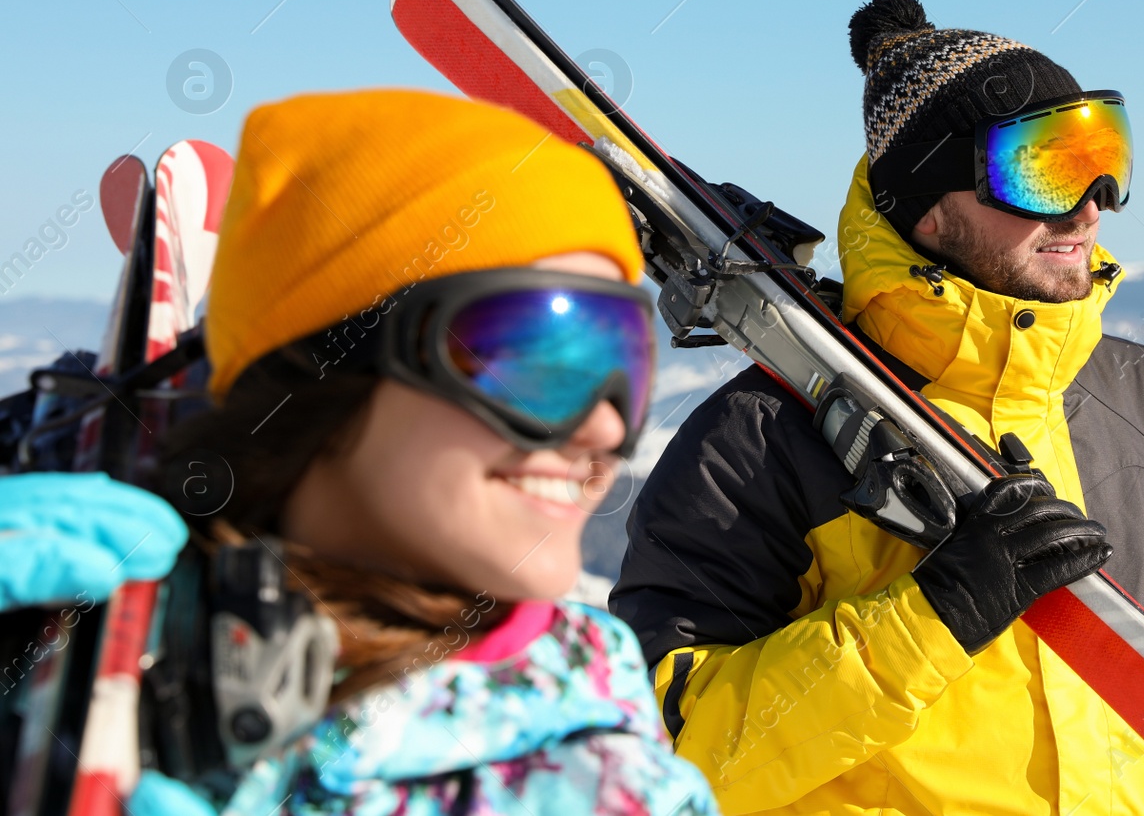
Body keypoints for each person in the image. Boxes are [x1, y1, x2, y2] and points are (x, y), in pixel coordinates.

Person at [610, 0, 1144, 815]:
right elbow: (667, 762)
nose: (1088, 207)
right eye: (1043, 168)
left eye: (1099, 156)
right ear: (930, 209)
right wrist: (930, 618)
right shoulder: (756, 438)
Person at [0, 89, 717, 815]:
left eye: (623, 363)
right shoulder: (60, 592)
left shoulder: (599, 788)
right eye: (532, 359)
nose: (603, 430)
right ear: (331, 367)